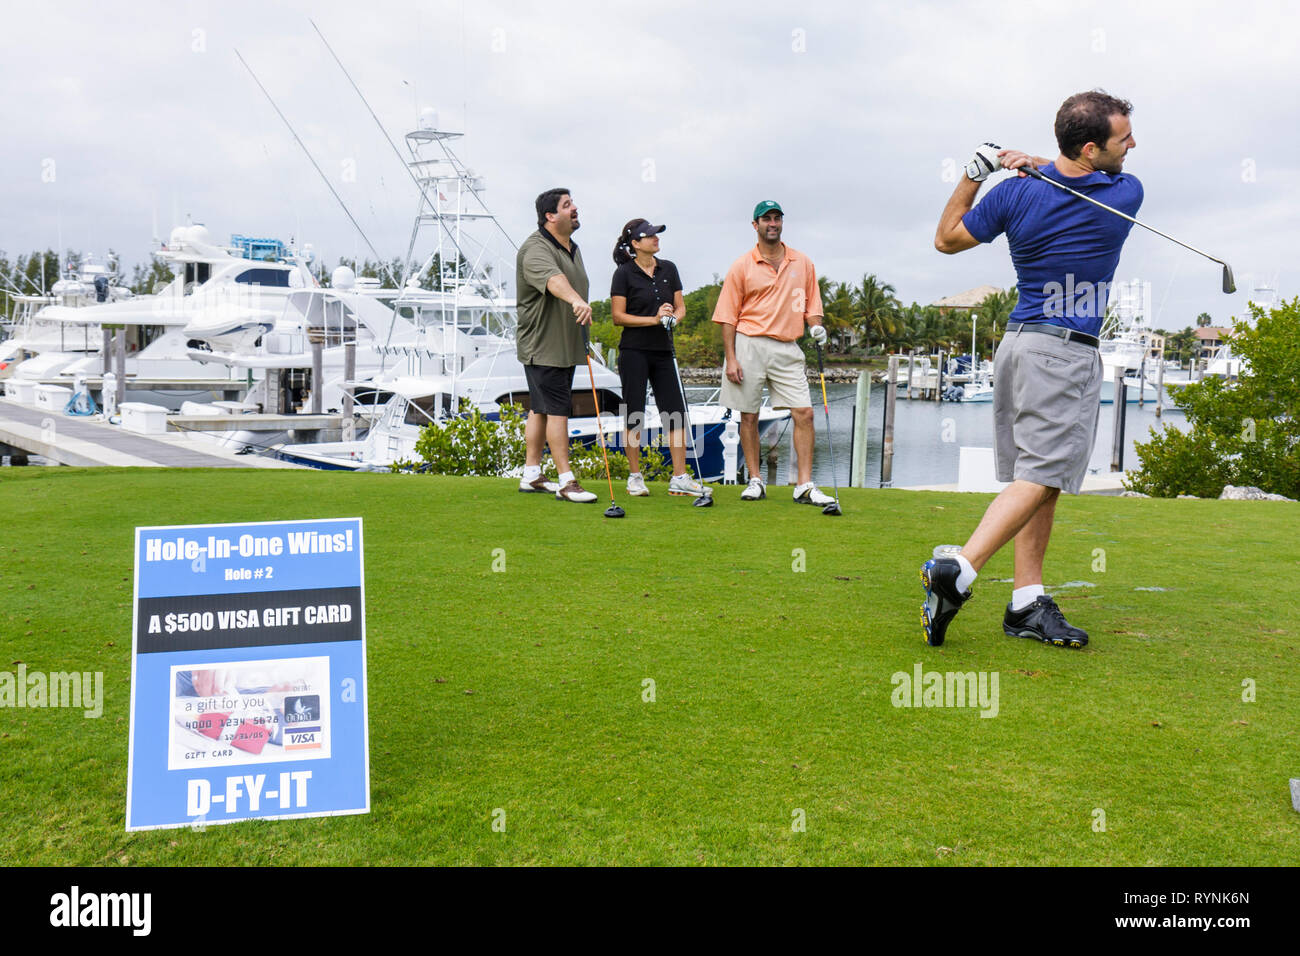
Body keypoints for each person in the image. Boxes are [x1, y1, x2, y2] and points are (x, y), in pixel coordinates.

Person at [922, 89, 1142, 650]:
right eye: (1123, 138)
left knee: (1038, 479)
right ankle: (960, 570)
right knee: (1043, 475)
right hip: (1064, 354)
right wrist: (1035, 161)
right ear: (1092, 149)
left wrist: (978, 172)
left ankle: (1026, 601)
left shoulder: (1013, 194)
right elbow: (1071, 175)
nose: (1133, 146)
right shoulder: (1125, 195)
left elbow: (946, 239)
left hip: (1017, 347)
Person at [710, 200, 834, 504]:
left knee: (804, 412)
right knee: (749, 416)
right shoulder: (741, 265)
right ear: (756, 225)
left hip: (788, 347)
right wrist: (731, 358)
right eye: (766, 219)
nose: (773, 223)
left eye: (777, 218)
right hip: (748, 343)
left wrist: (816, 326)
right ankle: (755, 480)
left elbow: (812, 307)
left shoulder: (802, 262)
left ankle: (804, 484)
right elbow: (728, 316)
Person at [609, 218, 704, 498]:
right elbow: (618, 316)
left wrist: (674, 317)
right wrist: (654, 319)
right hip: (634, 351)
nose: (656, 238)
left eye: (656, 235)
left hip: (664, 351)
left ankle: (679, 477)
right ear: (635, 244)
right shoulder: (624, 273)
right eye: (649, 236)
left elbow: (681, 307)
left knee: (674, 413)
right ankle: (635, 477)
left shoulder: (669, 269)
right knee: (634, 413)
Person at [515, 187, 597, 503]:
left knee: (540, 409)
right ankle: (567, 481)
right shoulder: (535, 248)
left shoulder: (571, 247)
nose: (574, 208)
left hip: (564, 346)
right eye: (567, 205)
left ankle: (531, 474)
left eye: (573, 202)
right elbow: (554, 280)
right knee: (557, 409)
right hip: (543, 346)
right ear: (550, 216)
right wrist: (576, 301)